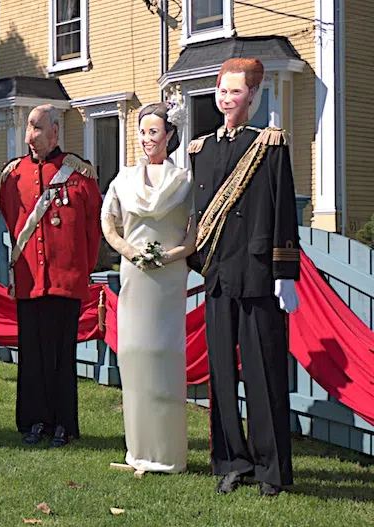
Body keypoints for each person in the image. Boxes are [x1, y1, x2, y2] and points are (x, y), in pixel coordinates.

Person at [188, 58, 299, 497]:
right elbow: (199, 216)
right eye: (221, 90)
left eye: (235, 91)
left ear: (253, 95)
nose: (226, 98)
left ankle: (271, 469)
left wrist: (284, 272)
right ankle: (232, 461)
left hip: (257, 273)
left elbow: (282, 209)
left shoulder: (270, 145)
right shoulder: (202, 149)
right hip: (218, 273)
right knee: (221, 374)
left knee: (264, 371)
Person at [0, 104, 102, 447]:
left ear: (55, 132)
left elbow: (91, 231)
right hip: (30, 281)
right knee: (32, 355)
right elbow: (13, 223)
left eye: (38, 128)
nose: (31, 136)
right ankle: (33, 421)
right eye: (28, 128)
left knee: (61, 356)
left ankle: (63, 424)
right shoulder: (13, 176)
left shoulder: (79, 174)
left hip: (65, 280)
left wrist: (79, 273)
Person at [101, 103, 194, 474]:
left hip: (169, 278)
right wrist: (132, 253)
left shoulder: (186, 181)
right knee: (135, 356)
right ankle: (137, 452)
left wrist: (169, 256)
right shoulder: (122, 180)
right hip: (135, 276)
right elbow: (109, 225)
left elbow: (194, 232)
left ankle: (168, 456)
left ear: (169, 136)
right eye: (142, 132)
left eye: (154, 132)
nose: (146, 139)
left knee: (165, 356)